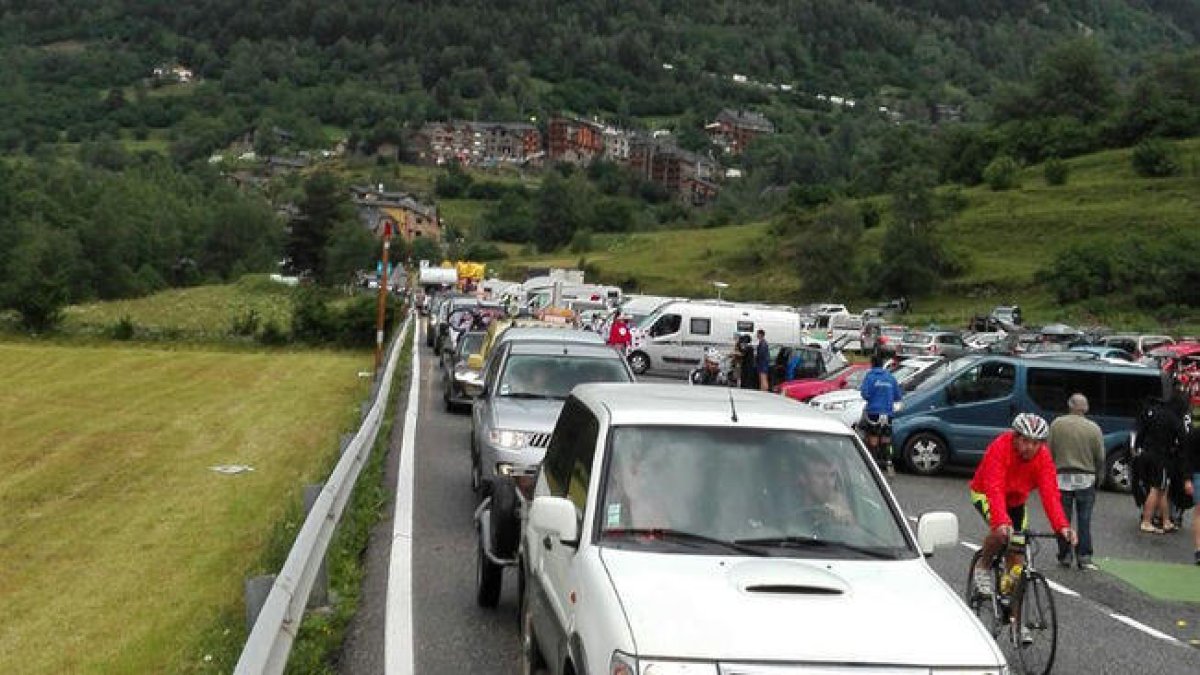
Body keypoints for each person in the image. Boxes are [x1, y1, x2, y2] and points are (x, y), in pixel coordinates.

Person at [970, 413, 1077, 596]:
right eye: (1026, 441)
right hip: (986, 493)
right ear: (1016, 438)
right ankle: (983, 566)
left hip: (1016, 499)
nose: (1030, 448)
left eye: (1036, 443)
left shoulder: (1043, 458)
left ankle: (1014, 617)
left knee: (1018, 557)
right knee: (1000, 533)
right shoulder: (1000, 448)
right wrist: (1002, 522)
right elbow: (994, 488)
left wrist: (1062, 526)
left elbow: (1050, 494)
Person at [1048, 393, 1106, 570]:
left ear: (1069, 405)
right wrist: (1100, 477)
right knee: (1084, 518)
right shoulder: (1093, 428)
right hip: (1086, 478)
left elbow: (1049, 451)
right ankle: (1084, 555)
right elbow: (1100, 456)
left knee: (1063, 519)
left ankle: (1064, 554)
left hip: (1062, 476)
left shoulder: (1057, 425)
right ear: (1086, 408)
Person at [1134, 387, 1188, 534]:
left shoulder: (1152, 412)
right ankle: (1146, 521)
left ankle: (1166, 521)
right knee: (1156, 488)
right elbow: (1183, 440)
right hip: (1161, 457)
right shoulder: (1174, 418)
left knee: (1163, 489)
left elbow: (1140, 432)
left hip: (1146, 453)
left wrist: (1138, 448)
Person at [859, 352, 903, 473]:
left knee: (873, 439)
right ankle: (889, 463)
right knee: (886, 440)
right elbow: (898, 396)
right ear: (883, 364)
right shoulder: (890, 377)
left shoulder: (870, 376)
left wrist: (873, 397)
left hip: (873, 412)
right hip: (888, 413)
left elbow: (864, 394)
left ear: (872, 364)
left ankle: (873, 466)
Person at [1183, 425, 1200, 565]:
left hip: (1197, 475)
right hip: (1198, 475)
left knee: (1199, 513)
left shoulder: (1195, 432)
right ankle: (1198, 550)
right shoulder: (1195, 433)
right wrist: (1188, 479)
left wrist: (1187, 478)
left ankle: (1198, 550)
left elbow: (1187, 457)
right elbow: (1188, 457)